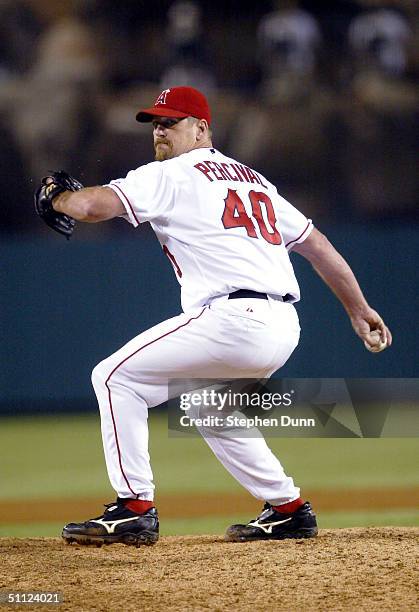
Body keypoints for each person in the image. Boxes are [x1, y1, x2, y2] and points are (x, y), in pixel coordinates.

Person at [49, 86, 391, 547]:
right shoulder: (255, 180)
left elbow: (90, 206)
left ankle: (134, 508)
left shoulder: (169, 174)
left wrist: (56, 199)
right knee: (209, 405)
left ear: (201, 128)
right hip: (282, 326)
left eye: (170, 121)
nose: (159, 130)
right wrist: (359, 308)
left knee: (113, 378)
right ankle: (288, 509)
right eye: (155, 123)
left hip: (232, 318)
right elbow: (318, 246)